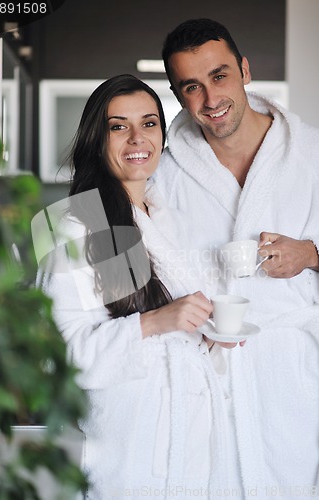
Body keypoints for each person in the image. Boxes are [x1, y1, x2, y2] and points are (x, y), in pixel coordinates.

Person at [38, 74, 240, 499]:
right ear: (97, 139)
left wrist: (210, 337)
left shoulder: (169, 217)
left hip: (193, 444)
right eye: (118, 126)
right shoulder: (72, 226)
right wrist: (154, 322)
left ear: (163, 135)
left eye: (149, 123)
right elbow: (59, 360)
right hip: (128, 454)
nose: (137, 138)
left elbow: (178, 332)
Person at [153, 18, 319, 499]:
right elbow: (129, 259)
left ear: (245, 70)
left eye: (220, 76)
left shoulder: (310, 153)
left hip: (294, 376)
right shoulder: (166, 171)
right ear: (178, 95)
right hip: (208, 374)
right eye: (192, 87)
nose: (210, 99)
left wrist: (311, 253)